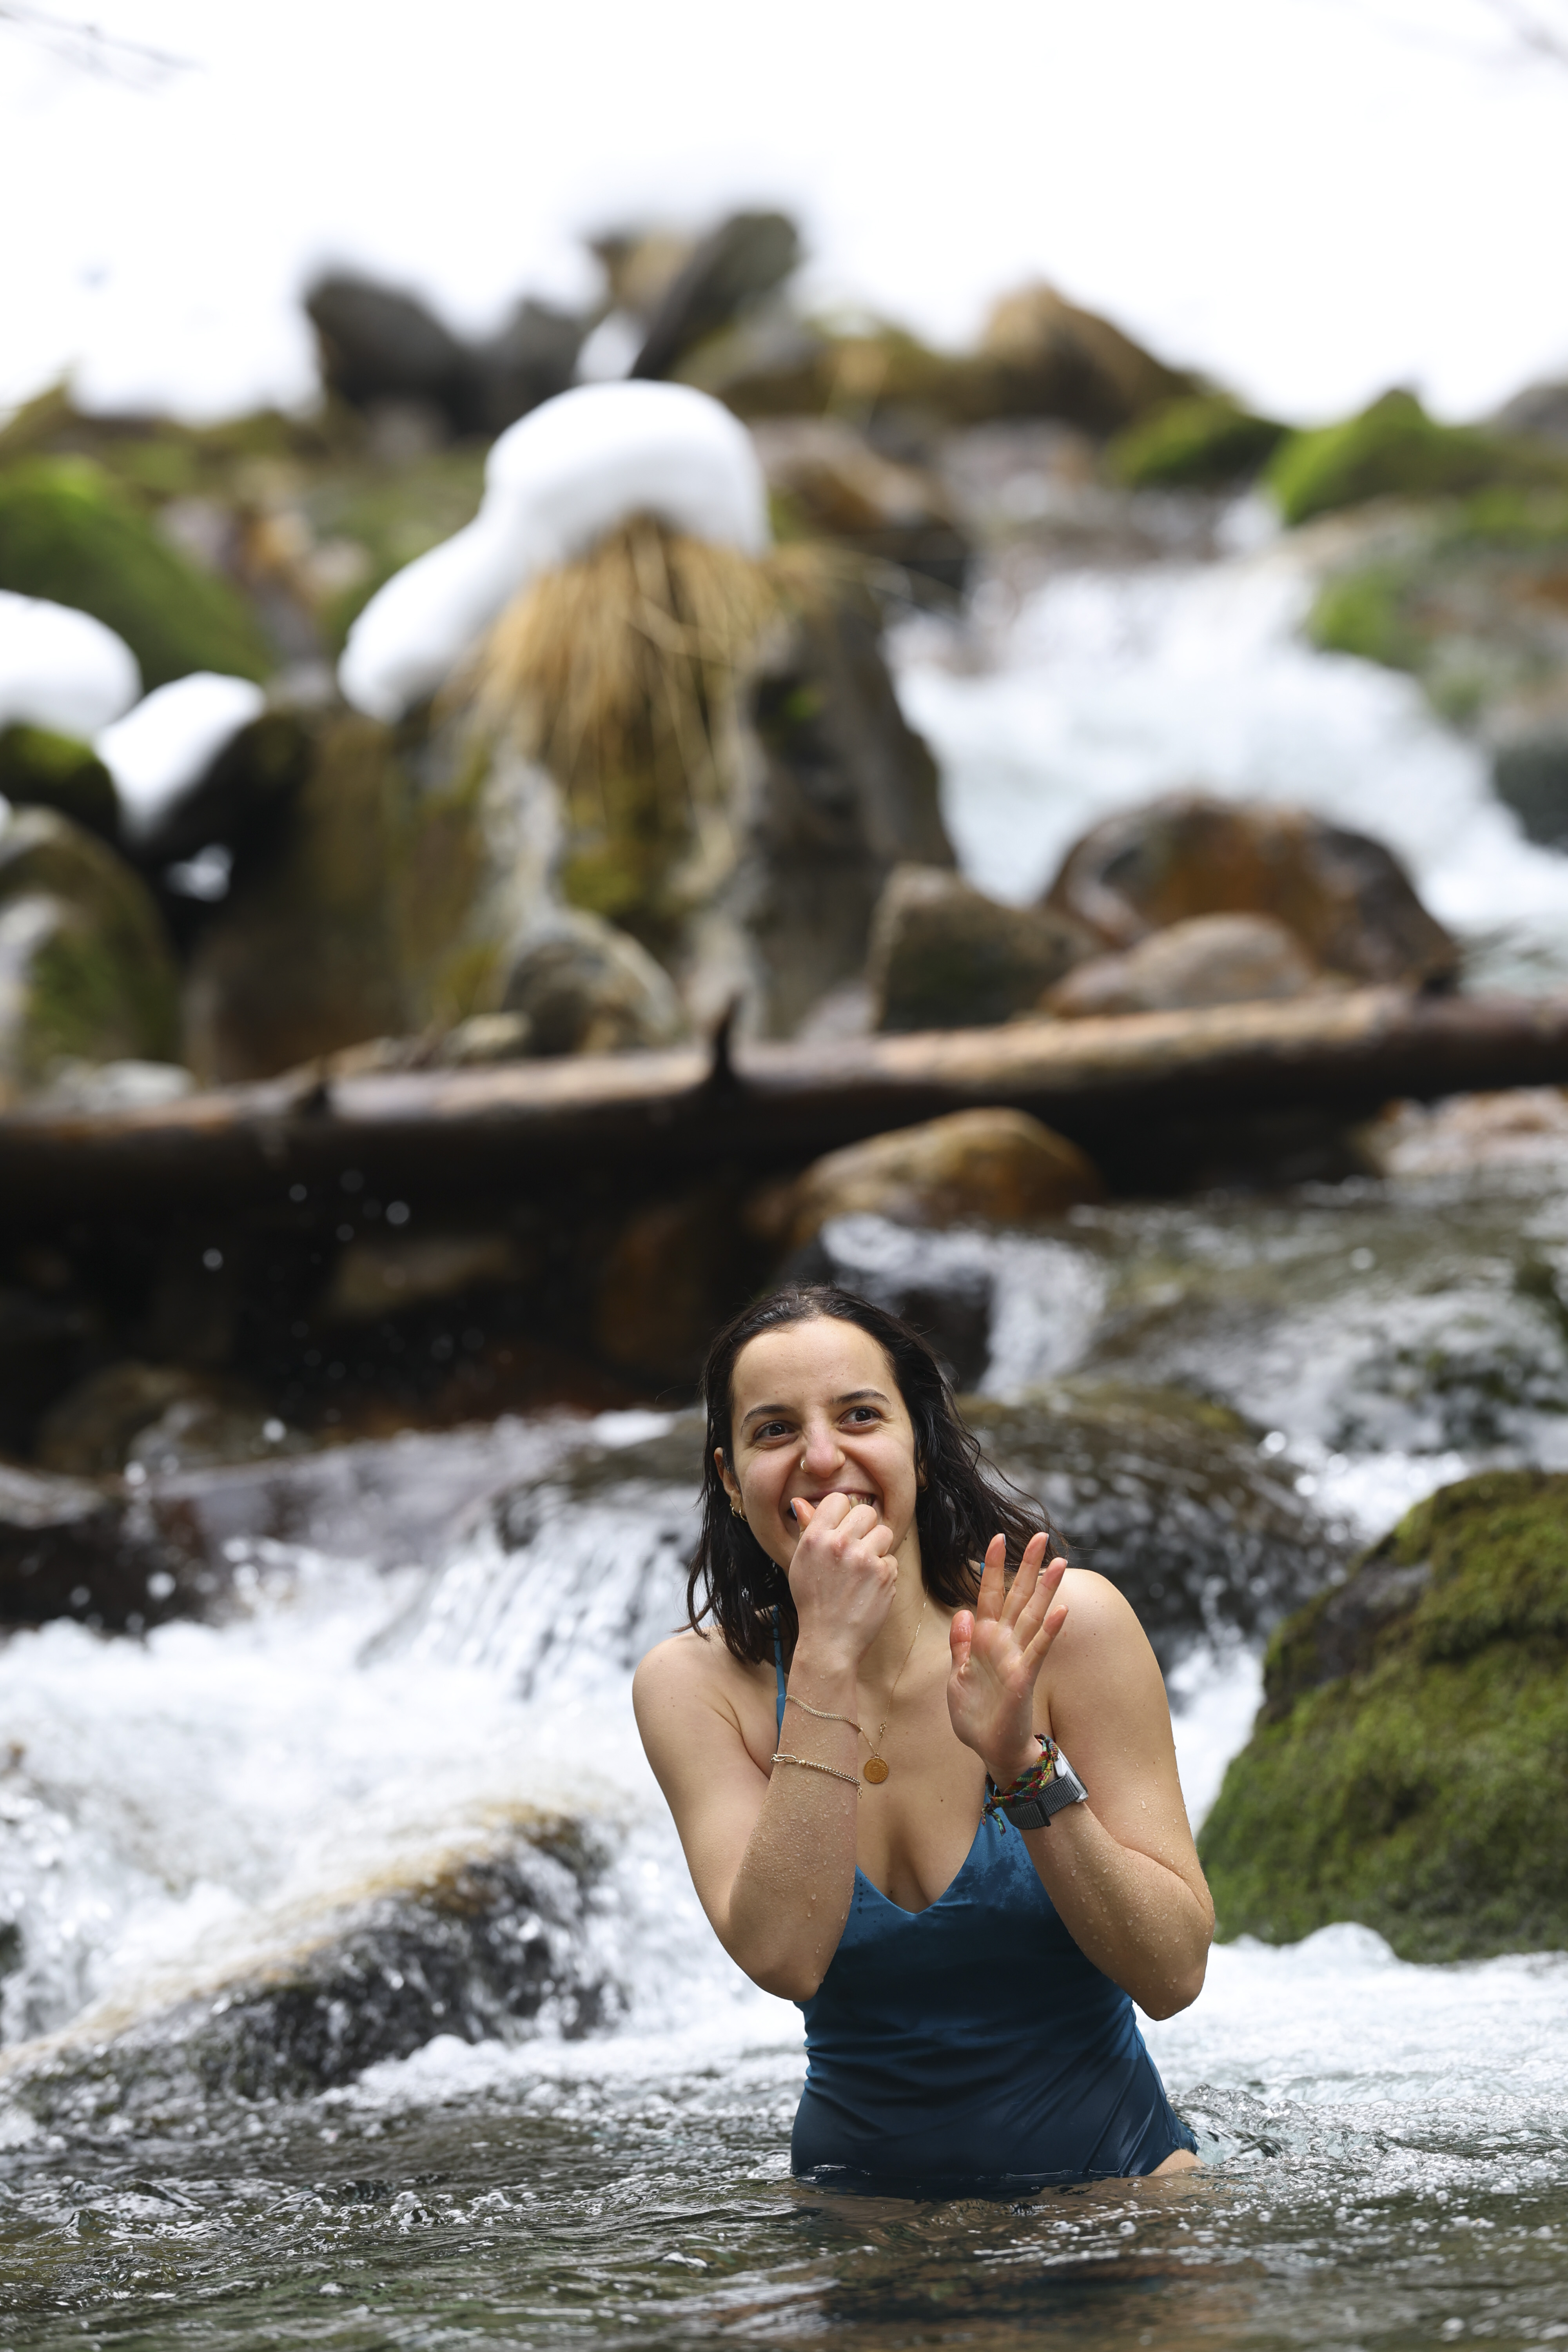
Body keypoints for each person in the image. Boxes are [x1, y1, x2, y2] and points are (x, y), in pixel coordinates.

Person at [633, 1283, 1210, 2187]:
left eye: (859, 1416)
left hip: (1120, 2206)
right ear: (732, 1480)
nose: (822, 1458)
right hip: (859, 2232)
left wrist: (1020, 1765)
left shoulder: (1066, 1626)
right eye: (774, 1430)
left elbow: (1172, 1975)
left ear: (920, 1446)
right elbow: (783, 1957)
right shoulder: (693, 1686)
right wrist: (823, 1661)